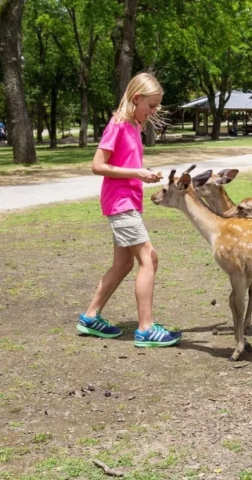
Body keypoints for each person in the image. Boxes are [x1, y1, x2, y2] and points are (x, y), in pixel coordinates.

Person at [77, 72, 181, 348]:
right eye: (152, 105)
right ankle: (145, 329)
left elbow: (124, 165)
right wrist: (137, 172)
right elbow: (98, 165)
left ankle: (89, 318)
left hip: (128, 201)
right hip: (120, 203)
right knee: (150, 259)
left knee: (124, 263)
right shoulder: (119, 124)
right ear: (136, 99)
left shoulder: (134, 125)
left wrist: (143, 175)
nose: (155, 111)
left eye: (157, 105)